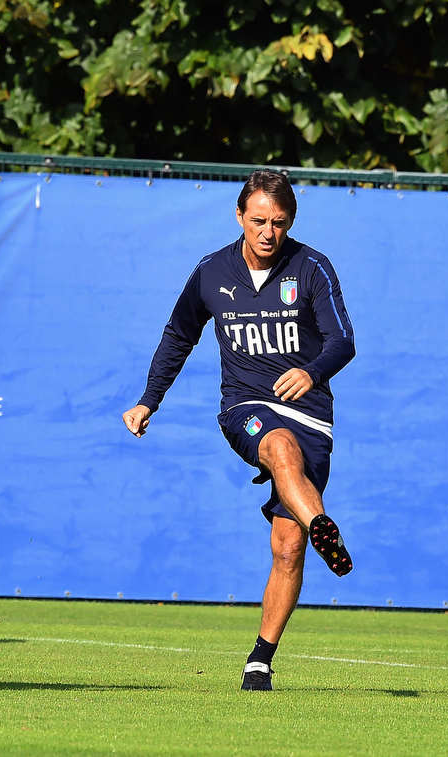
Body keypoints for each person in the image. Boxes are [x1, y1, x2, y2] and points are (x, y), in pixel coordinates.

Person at [122, 169, 356, 692]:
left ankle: (261, 658)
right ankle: (323, 522)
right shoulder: (211, 271)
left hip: (311, 411)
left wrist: (312, 371)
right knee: (276, 444)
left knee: (287, 544)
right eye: (258, 221)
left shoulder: (313, 266)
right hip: (246, 406)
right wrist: (147, 401)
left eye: (278, 222)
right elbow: (178, 335)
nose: (268, 232)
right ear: (238, 217)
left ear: (290, 221)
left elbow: (343, 341)